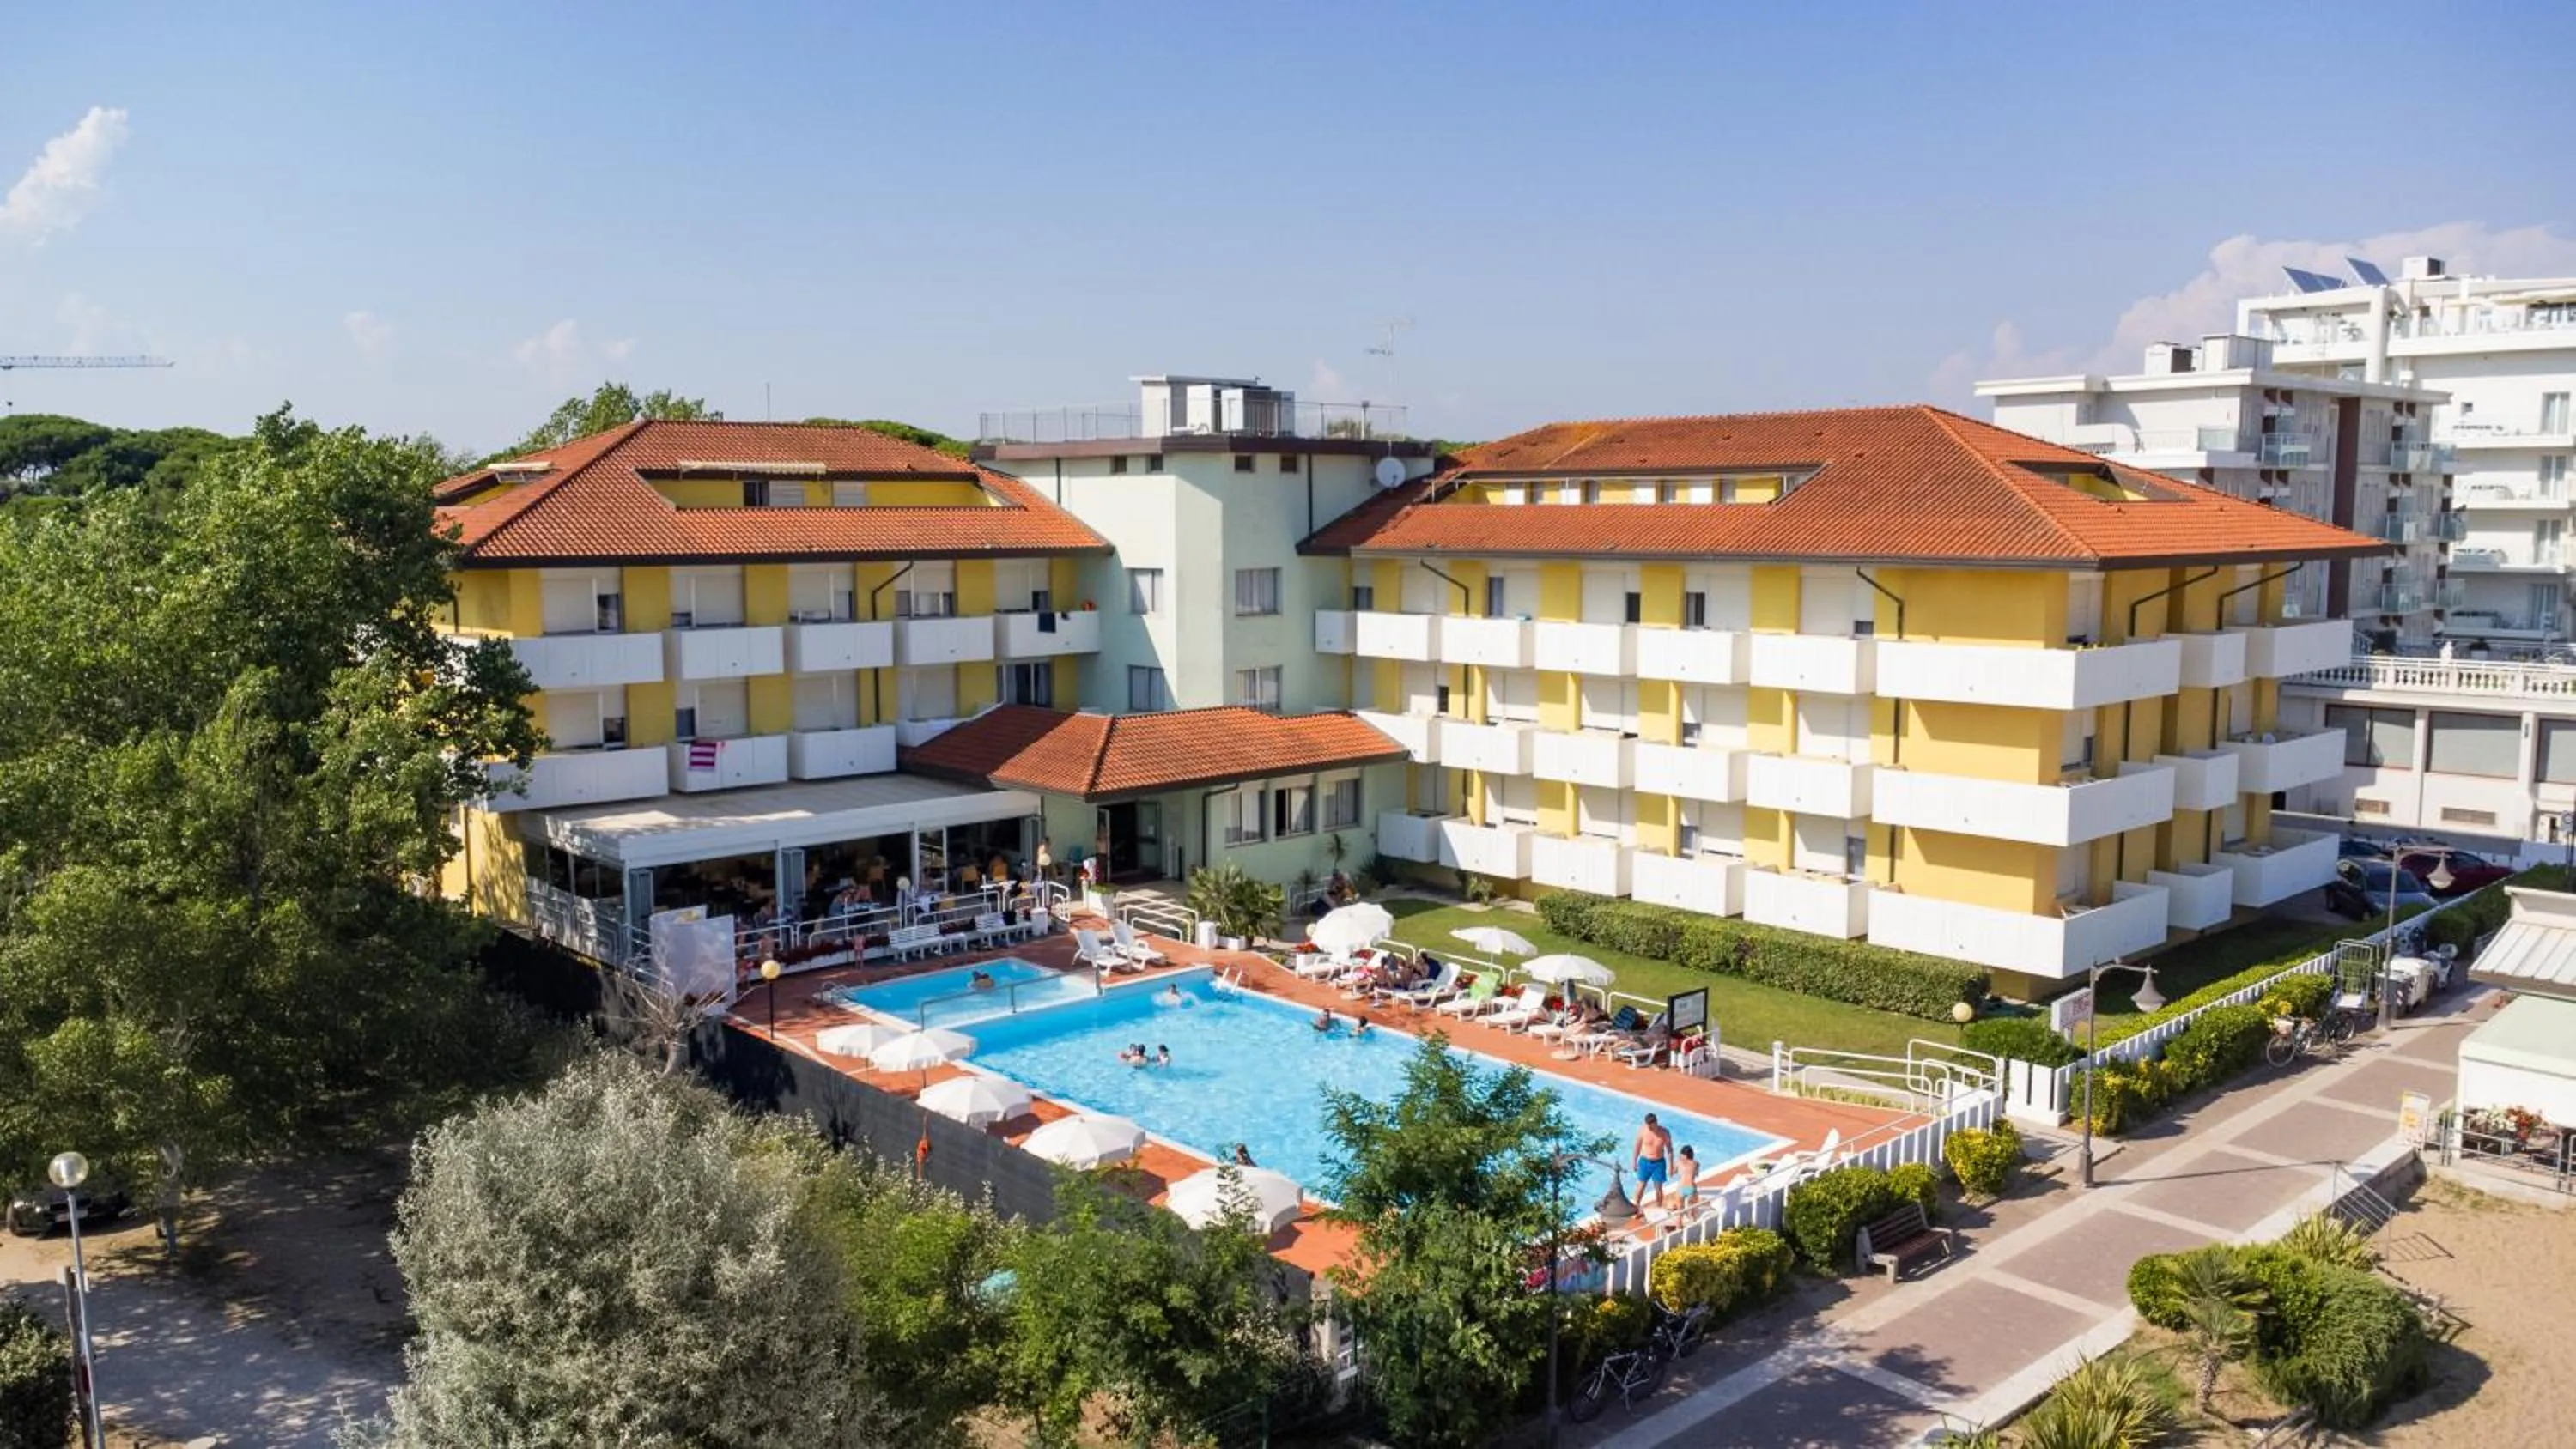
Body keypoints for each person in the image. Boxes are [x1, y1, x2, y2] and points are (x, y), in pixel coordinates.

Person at [1633, 1112, 1674, 1210]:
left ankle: (1659, 1208)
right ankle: (1636, 1207)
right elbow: (1637, 1147)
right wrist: (1634, 1161)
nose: (1649, 1128)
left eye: (1651, 1127)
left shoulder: (1664, 1133)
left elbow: (1669, 1150)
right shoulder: (1643, 1130)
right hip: (1644, 1162)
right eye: (1648, 1126)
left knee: (1658, 1188)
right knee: (1641, 1186)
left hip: (1659, 1163)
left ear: (1656, 1123)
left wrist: (1671, 1166)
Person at [1673, 1145, 1701, 1215]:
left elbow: (1672, 1173)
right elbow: (1696, 1174)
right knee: (1692, 1210)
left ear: (1684, 1155)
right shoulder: (1696, 1163)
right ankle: (1692, 1218)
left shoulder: (1678, 1162)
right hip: (1691, 1187)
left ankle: (1679, 1221)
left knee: (1680, 1212)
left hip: (1681, 1187)